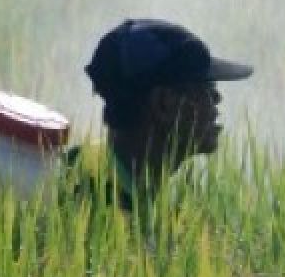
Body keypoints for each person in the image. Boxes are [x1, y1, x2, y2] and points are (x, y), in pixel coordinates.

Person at [64, 18, 253, 213]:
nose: (217, 98)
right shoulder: (106, 210)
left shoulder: (86, 164)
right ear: (164, 103)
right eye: (206, 87)